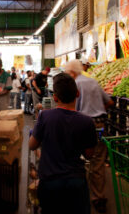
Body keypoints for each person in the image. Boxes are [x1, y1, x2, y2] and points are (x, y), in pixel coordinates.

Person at [29, 73, 97, 214]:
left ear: (55, 97)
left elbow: (32, 145)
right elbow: (89, 154)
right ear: (77, 94)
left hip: (49, 181)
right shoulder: (87, 122)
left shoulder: (45, 116)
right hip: (76, 181)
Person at [65, 60, 114, 213]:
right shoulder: (93, 82)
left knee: (74, 159)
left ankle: (76, 196)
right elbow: (110, 102)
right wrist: (98, 109)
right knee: (98, 163)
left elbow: (71, 109)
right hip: (99, 126)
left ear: (72, 73)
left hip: (81, 126)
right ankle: (99, 199)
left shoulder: (74, 85)